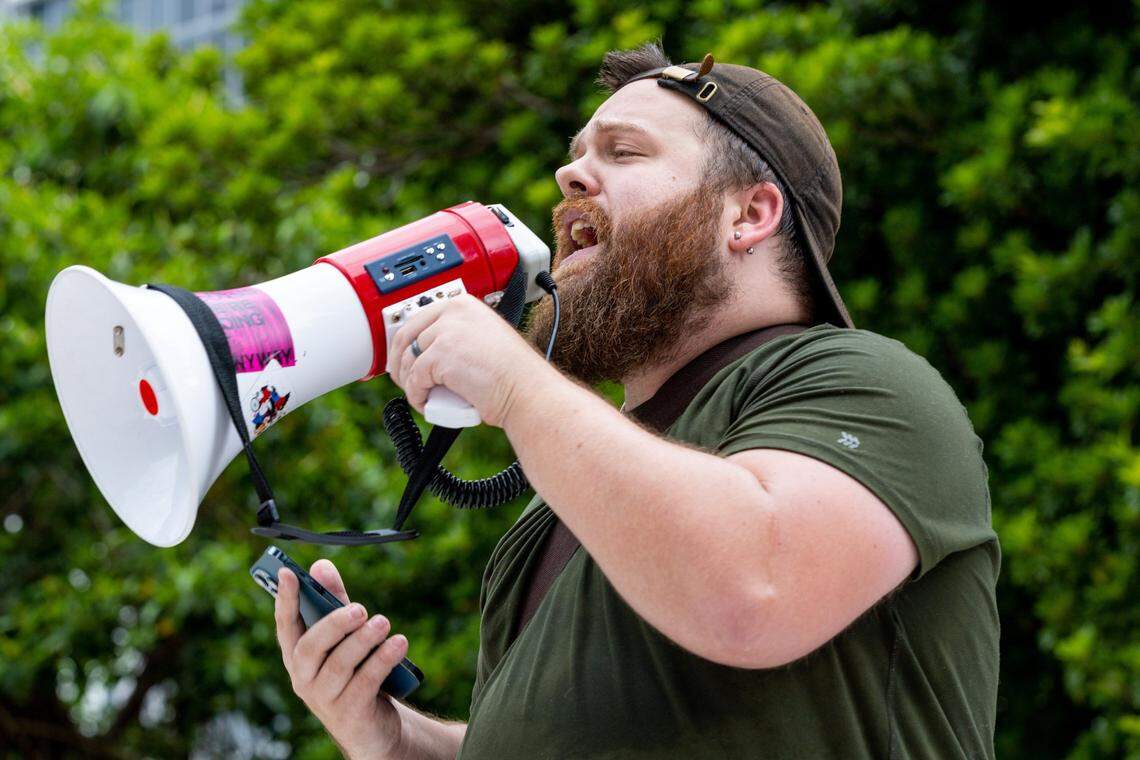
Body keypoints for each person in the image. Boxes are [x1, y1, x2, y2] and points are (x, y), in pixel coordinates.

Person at [273, 43, 1000, 759]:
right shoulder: (565, 502)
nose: (567, 176)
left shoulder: (869, 384)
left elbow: (752, 593)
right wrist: (397, 740)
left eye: (623, 153)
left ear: (748, 215)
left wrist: (519, 385)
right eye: (577, 154)